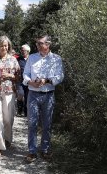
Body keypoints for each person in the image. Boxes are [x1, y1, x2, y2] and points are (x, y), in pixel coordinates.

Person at [23, 35, 64, 163]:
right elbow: (25, 74)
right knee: (32, 123)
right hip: (33, 94)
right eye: (37, 43)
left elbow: (60, 76)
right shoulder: (32, 57)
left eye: (41, 43)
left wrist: (46, 80)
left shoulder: (56, 59)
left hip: (48, 94)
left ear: (48, 44)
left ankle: (45, 149)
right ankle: (32, 151)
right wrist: (30, 82)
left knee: (47, 124)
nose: (38, 45)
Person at [0, 36, 20, 157]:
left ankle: (7, 139)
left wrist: (10, 76)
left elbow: (18, 77)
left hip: (9, 91)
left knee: (8, 119)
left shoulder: (13, 60)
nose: (4, 47)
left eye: (6, 45)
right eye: (1, 45)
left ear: (9, 46)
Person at [16, 44, 31, 117]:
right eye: (21, 50)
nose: (22, 51)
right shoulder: (18, 59)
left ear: (28, 51)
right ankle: (19, 108)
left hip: (29, 81)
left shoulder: (31, 59)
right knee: (21, 94)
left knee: (27, 96)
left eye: (23, 50)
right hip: (20, 81)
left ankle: (26, 112)